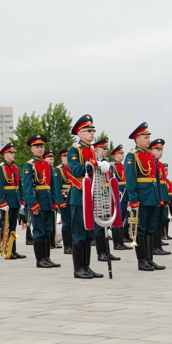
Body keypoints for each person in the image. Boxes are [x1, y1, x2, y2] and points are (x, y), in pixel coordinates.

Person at [66, 114, 105, 279]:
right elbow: (75, 171)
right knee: (79, 232)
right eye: (88, 130)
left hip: (91, 195)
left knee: (89, 232)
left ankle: (86, 266)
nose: (92, 133)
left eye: (93, 130)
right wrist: (94, 164)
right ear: (80, 133)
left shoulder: (90, 150)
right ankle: (78, 268)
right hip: (79, 195)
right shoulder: (74, 150)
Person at [125, 122, 165, 271]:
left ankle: (149, 259)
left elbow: (157, 179)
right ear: (137, 139)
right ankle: (141, 260)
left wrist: (159, 197)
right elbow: (130, 179)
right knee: (140, 229)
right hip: (141, 198)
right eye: (145, 137)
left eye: (149, 137)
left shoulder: (150, 155)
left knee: (150, 229)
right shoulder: (132, 156)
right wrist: (134, 199)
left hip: (152, 197)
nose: (148, 140)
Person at [22, 134, 60, 268]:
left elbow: (52, 186)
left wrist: (55, 202)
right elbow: (27, 187)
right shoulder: (29, 165)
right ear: (32, 149)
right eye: (37, 146)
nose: (40, 149)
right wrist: (33, 204)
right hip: (37, 202)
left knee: (48, 230)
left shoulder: (46, 165)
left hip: (48, 202)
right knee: (39, 231)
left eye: (42, 146)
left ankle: (47, 257)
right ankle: (40, 260)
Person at [0, 142, 26, 259]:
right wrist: (2, 202)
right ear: (5, 154)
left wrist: (22, 200)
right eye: (11, 153)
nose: (13, 155)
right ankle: (6, 249)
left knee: (13, 226)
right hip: (7, 200)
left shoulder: (15, 167)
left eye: (13, 153)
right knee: (5, 226)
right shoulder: (0, 168)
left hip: (15, 199)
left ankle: (13, 249)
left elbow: (19, 185)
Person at [92, 137, 119, 262]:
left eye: (106, 148)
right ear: (96, 149)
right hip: (97, 196)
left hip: (106, 195)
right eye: (104, 148)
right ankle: (101, 252)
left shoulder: (107, 164)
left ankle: (107, 251)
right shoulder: (94, 164)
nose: (106, 151)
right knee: (99, 226)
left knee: (106, 225)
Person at [151, 138, 171, 256]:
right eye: (157, 149)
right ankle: (155, 246)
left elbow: (162, 183)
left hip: (161, 196)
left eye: (161, 150)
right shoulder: (152, 163)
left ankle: (158, 244)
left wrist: (165, 198)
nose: (160, 152)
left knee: (161, 220)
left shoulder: (160, 165)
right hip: (155, 197)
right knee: (155, 222)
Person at [109, 145, 131, 251]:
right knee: (117, 218)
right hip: (117, 193)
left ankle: (121, 241)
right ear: (115, 155)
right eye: (120, 153)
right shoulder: (112, 166)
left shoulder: (123, 166)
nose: (123, 155)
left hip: (124, 193)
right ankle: (117, 242)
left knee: (123, 218)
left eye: (123, 153)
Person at [53, 148, 73, 254]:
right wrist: (61, 202)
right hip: (64, 199)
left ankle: (72, 244)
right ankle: (67, 246)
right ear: (62, 157)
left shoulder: (71, 169)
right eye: (65, 156)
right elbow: (57, 187)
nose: (67, 159)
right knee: (67, 223)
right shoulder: (58, 170)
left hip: (72, 198)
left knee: (73, 223)